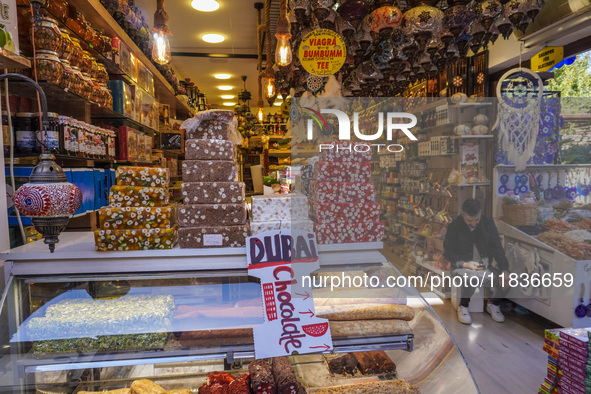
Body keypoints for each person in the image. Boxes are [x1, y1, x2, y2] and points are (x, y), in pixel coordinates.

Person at [443, 198, 510, 324]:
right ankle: (463, 306)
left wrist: (504, 269)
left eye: (477, 220)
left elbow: (497, 248)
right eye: (469, 221)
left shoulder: (488, 223)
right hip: (461, 266)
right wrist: (465, 264)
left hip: (484, 267)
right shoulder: (454, 226)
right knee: (472, 278)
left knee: (507, 279)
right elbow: (448, 253)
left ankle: (493, 304)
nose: (473, 224)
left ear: (481, 214)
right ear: (463, 214)